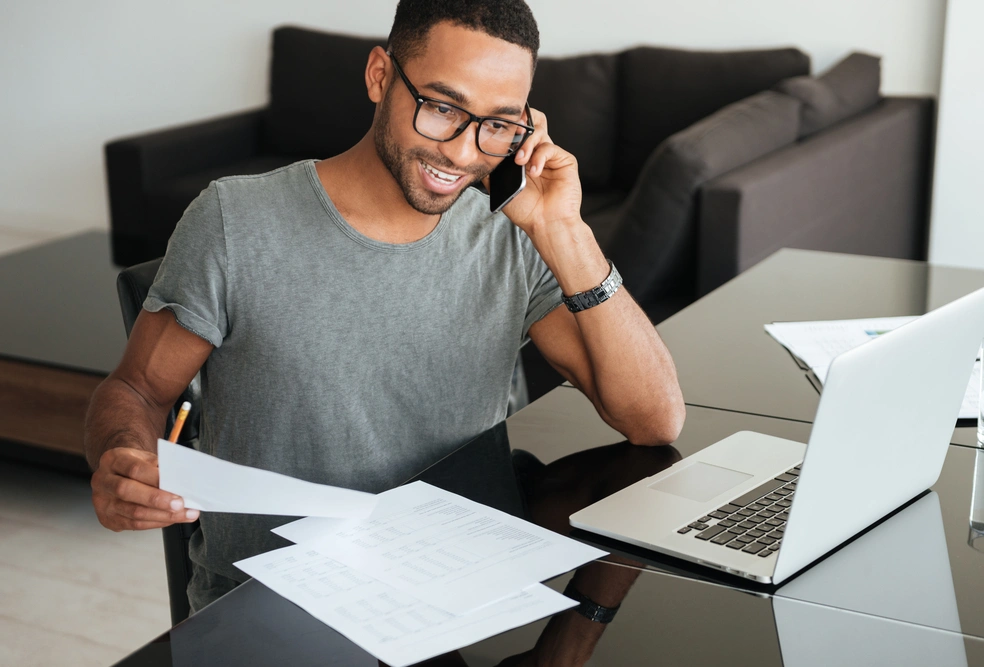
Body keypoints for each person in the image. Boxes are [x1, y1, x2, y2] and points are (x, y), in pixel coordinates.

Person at [84, 0, 685, 612]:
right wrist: (120, 457)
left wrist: (566, 232)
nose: (462, 152)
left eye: (499, 124)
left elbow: (654, 421)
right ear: (379, 76)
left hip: (455, 593)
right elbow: (136, 391)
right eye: (443, 108)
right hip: (274, 606)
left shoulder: (511, 233)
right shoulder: (233, 222)